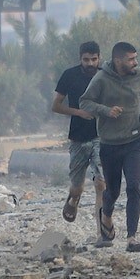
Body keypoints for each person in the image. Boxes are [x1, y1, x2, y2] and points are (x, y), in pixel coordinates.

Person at [80, 41, 140, 252]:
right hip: (109, 144)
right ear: (118, 60)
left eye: (136, 58)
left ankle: (132, 237)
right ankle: (106, 216)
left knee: (134, 186)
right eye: (131, 59)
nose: (135, 62)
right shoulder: (101, 78)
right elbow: (84, 102)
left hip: (134, 142)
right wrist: (106, 110)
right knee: (113, 191)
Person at [52, 41, 107, 234]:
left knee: (101, 183)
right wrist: (79, 112)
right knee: (77, 186)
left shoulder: (105, 76)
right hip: (77, 138)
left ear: (99, 58)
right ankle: (73, 199)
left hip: (101, 137)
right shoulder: (69, 75)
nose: (90, 63)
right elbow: (56, 105)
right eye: (86, 59)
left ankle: (103, 231)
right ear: (80, 59)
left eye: (94, 59)